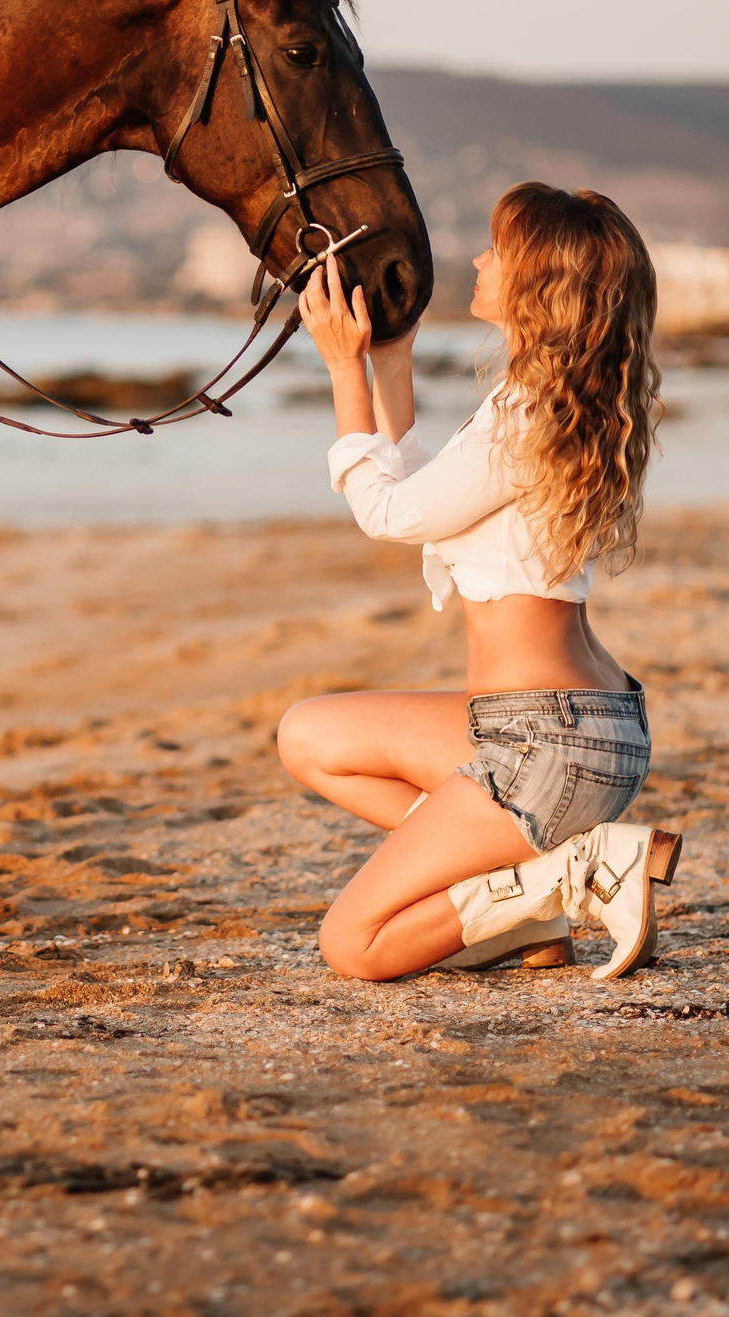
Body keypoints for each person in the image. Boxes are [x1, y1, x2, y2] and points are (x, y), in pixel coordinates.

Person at [278, 182, 677, 982]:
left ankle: (562, 877)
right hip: (579, 728)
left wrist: (343, 369)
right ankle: (524, 891)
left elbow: (389, 511)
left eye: (498, 249)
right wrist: (391, 361)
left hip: (543, 744)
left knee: (352, 944)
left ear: (537, 283)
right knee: (308, 736)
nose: (477, 258)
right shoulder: (544, 406)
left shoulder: (527, 416)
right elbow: (432, 495)